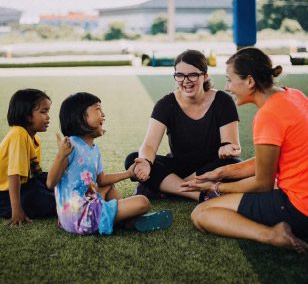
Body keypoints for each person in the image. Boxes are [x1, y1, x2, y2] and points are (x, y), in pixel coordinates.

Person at [181, 47, 308, 253]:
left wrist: (216, 187)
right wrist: (223, 172)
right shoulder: (293, 95)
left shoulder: (268, 115)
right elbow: (268, 160)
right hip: (300, 196)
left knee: (201, 214)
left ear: (250, 81)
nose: (228, 88)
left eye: (230, 80)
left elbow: (263, 184)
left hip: (299, 209)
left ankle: (273, 235)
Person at [47, 92, 172, 235]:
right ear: (80, 117)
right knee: (143, 202)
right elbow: (51, 183)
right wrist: (60, 156)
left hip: (79, 212)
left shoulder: (94, 149)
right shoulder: (70, 146)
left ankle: (125, 219)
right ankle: (127, 220)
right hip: (82, 216)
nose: (103, 114)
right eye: (98, 109)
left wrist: (129, 173)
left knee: (108, 186)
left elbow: (102, 180)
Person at [125, 49, 241, 201]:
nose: (186, 80)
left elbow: (231, 144)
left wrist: (228, 148)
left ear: (205, 76)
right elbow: (149, 146)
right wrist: (146, 162)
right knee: (133, 159)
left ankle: (167, 187)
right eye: (179, 75)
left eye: (192, 75)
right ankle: (200, 194)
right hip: (178, 166)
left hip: (210, 168)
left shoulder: (223, 101)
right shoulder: (166, 104)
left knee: (233, 166)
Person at [0, 89, 56, 225]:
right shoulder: (19, 133)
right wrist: (17, 210)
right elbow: (14, 174)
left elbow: (36, 174)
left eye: (48, 111)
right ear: (27, 116)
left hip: (26, 184)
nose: (48, 117)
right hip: (5, 193)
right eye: (43, 112)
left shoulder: (34, 137)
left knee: (58, 180)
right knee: (49, 202)